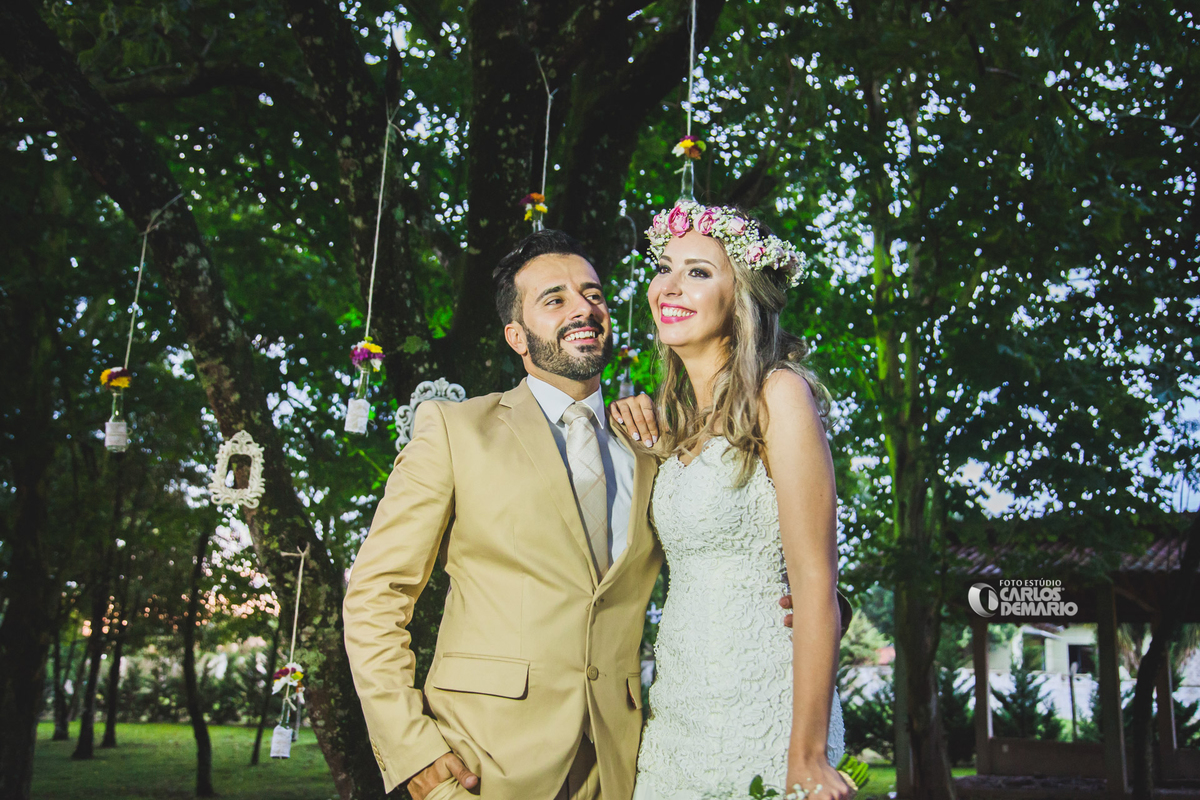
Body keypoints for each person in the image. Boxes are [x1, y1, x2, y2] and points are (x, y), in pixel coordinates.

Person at [342, 230, 662, 800]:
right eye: (555, 299)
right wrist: (412, 747)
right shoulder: (455, 429)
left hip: (618, 764)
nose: (584, 308)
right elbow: (376, 595)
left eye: (593, 294)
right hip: (482, 761)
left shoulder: (649, 445)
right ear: (517, 336)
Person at [614, 202, 851, 800]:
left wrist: (807, 756)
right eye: (665, 268)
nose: (669, 286)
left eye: (697, 272)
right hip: (678, 716)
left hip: (763, 712)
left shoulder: (780, 394)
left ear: (741, 296)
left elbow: (816, 581)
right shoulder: (674, 424)